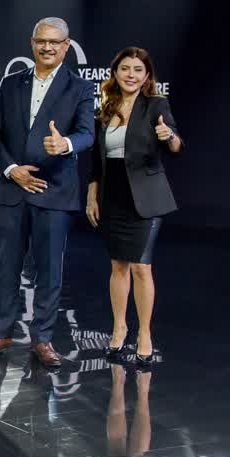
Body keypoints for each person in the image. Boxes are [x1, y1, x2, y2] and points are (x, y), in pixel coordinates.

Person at [0, 17, 95, 369]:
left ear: (66, 46)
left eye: (55, 42)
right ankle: (0, 332)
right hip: (12, 188)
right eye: (41, 41)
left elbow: (87, 133)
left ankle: (43, 339)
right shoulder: (11, 83)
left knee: (49, 270)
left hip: (54, 191)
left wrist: (66, 143)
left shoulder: (79, 88)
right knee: (5, 268)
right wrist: (12, 170)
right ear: (32, 43)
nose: (47, 47)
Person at [86, 47, 182, 368]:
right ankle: (119, 328)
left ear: (146, 75)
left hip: (146, 197)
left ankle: (144, 334)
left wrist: (168, 136)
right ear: (115, 73)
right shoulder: (105, 108)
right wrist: (92, 195)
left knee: (142, 267)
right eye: (125, 69)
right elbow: (96, 160)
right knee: (118, 267)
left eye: (137, 70)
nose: (131, 75)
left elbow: (177, 144)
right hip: (112, 196)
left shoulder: (156, 104)